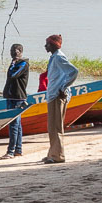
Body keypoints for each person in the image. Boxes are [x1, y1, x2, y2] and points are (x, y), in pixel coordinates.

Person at [42, 34, 80, 164]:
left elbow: (74, 71)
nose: (45, 46)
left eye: (47, 44)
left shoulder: (59, 57)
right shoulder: (54, 57)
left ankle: (58, 156)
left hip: (58, 95)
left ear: (53, 45)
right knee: (51, 126)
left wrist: (63, 87)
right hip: (52, 95)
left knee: (56, 126)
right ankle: (52, 153)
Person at [1, 43, 29, 159]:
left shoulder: (23, 64)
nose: (13, 54)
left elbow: (12, 75)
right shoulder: (15, 63)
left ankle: (11, 151)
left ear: (20, 52)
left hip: (18, 97)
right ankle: (18, 149)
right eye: (11, 51)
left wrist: (13, 64)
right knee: (17, 124)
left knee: (14, 124)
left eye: (15, 51)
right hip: (11, 96)